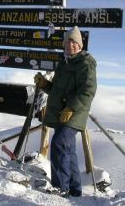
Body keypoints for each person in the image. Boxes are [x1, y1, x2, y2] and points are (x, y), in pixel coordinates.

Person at [34, 26, 97, 198]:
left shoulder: (85, 63)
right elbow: (57, 90)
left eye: (74, 41)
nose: (70, 44)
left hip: (74, 113)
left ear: (80, 45)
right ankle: (75, 189)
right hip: (61, 113)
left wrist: (71, 108)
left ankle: (60, 186)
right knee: (68, 150)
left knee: (59, 144)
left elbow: (88, 90)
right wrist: (44, 84)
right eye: (67, 41)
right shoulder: (64, 63)